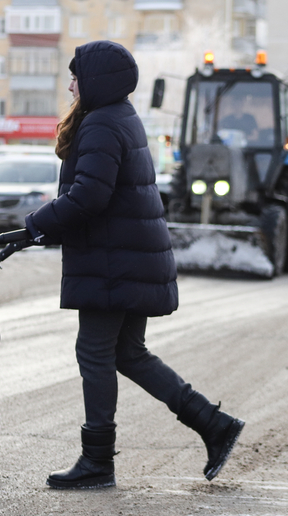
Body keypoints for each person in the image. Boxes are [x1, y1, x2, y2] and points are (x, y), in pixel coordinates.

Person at [24, 40, 244, 490]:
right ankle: (214, 424)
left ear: (96, 82)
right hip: (129, 255)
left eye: (76, 78)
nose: (70, 86)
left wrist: (36, 224)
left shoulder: (103, 123)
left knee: (95, 352)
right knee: (127, 352)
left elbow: (89, 196)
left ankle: (97, 462)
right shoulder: (119, 116)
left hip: (115, 261)